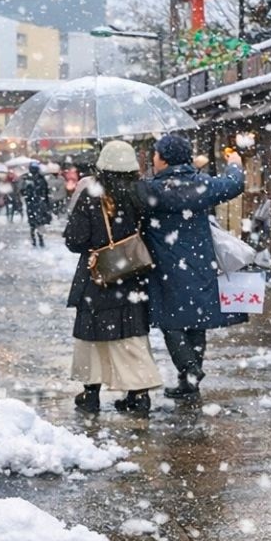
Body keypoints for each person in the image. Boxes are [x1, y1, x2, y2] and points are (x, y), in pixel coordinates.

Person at [140, 133, 246, 402]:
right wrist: (234, 162)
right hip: (200, 262)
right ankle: (189, 380)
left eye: (156, 154)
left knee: (170, 322)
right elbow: (234, 184)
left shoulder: (152, 190)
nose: (153, 158)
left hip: (165, 264)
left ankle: (189, 370)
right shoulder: (202, 185)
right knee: (195, 321)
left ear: (163, 159)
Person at [64, 141, 164, 416]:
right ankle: (138, 394)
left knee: (91, 338)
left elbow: (75, 241)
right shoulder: (143, 193)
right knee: (130, 336)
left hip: (98, 277)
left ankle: (90, 394)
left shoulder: (91, 194)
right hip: (132, 275)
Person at [23, 163, 52, 248]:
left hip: (36, 204)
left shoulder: (32, 179)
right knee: (36, 223)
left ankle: (38, 240)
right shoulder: (30, 179)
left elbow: (45, 192)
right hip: (35, 204)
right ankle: (37, 240)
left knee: (36, 223)